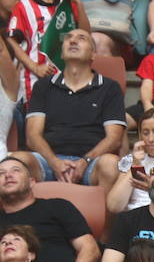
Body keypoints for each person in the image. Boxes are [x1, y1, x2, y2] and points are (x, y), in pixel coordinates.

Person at [14, 29, 124, 187]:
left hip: (92, 162)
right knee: (17, 162)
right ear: (61, 54)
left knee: (112, 164)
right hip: (47, 160)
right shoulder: (43, 86)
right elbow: (32, 136)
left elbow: (114, 139)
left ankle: (107, 213)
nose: (73, 41)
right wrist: (54, 162)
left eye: (81, 38)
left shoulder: (109, 87)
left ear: (93, 54)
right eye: (69, 38)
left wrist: (85, 161)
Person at [0, 157, 98, 262]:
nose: (8, 175)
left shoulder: (58, 207)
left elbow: (90, 248)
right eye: (1, 173)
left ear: (32, 182)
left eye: (16, 170)